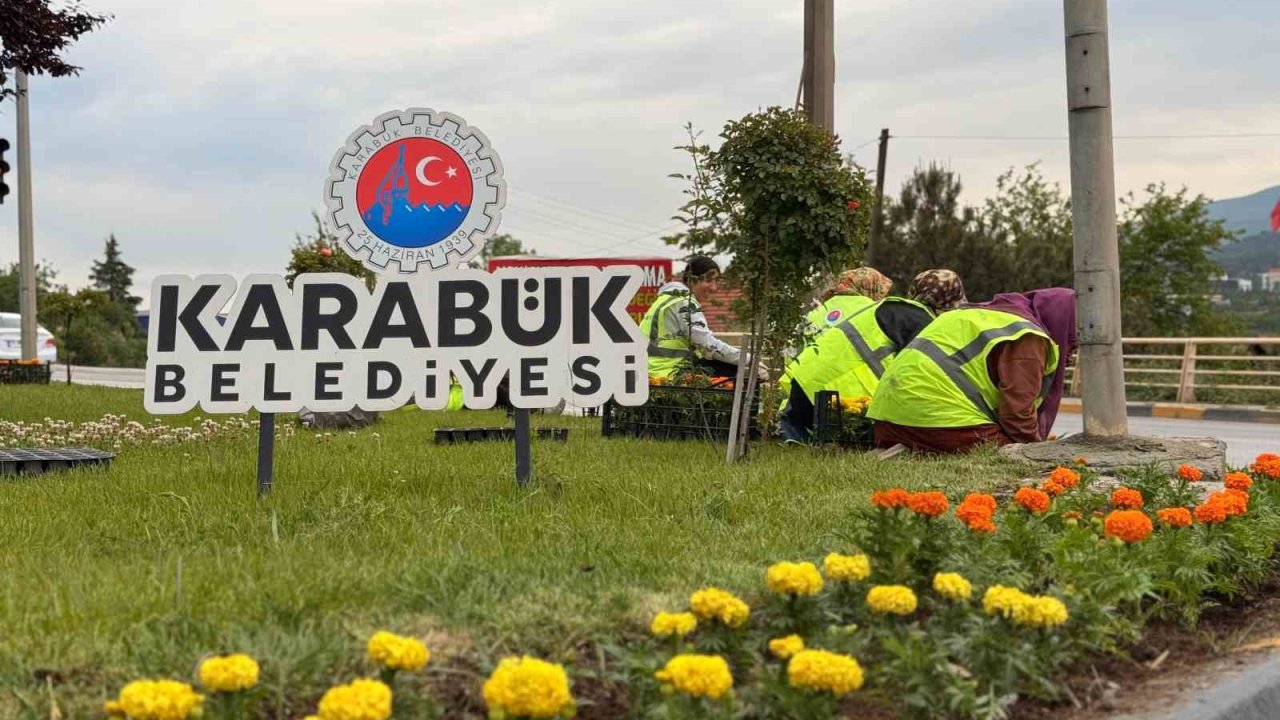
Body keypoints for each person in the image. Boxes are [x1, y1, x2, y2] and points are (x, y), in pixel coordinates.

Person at [868, 287, 1077, 453]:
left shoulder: (979, 313)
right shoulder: (1027, 336)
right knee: (1012, 451)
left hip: (887, 421)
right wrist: (1036, 451)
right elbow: (1017, 415)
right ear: (1065, 321)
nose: (1071, 352)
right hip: (936, 424)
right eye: (1073, 341)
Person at [778, 269, 968, 442]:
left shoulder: (891, 308)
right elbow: (926, 380)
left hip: (801, 392)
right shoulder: (921, 322)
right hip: (831, 404)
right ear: (949, 303)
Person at [639, 255, 746, 380]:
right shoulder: (684, 302)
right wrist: (748, 360)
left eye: (716, 281)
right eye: (709, 280)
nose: (714, 288)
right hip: (669, 372)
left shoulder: (665, 299)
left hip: (648, 369)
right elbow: (709, 345)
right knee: (733, 370)